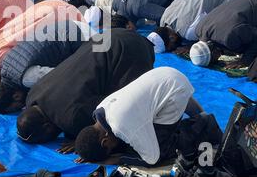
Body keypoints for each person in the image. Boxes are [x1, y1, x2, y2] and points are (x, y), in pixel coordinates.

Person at [16, 29, 155, 145]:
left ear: (47, 128)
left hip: (132, 50)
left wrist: (81, 139)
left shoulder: (71, 119)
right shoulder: (32, 94)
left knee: (132, 100)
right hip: (107, 36)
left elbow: (114, 111)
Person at [75, 67, 219, 165]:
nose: (113, 149)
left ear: (105, 142)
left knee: (163, 150)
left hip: (174, 91)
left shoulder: (121, 125)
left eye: (110, 149)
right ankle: (201, 117)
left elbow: (152, 159)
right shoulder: (100, 108)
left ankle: (204, 125)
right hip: (165, 73)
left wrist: (117, 159)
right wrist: (92, 154)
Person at [0, 20, 95, 114]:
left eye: (17, 108)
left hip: (79, 35)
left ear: (16, 96)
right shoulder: (6, 65)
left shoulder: (27, 78)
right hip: (66, 27)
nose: (21, 108)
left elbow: (64, 75)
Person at [149, 0, 248, 53]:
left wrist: (191, 47)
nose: (174, 48)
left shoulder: (188, 32)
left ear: (171, 38)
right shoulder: (164, 17)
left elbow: (213, 35)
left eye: (171, 48)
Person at [190, 0, 257, 69]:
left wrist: (245, 61)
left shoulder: (229, 38)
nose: (219, 57)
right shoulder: (199, 29)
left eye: (215, 59)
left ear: (213, 52)